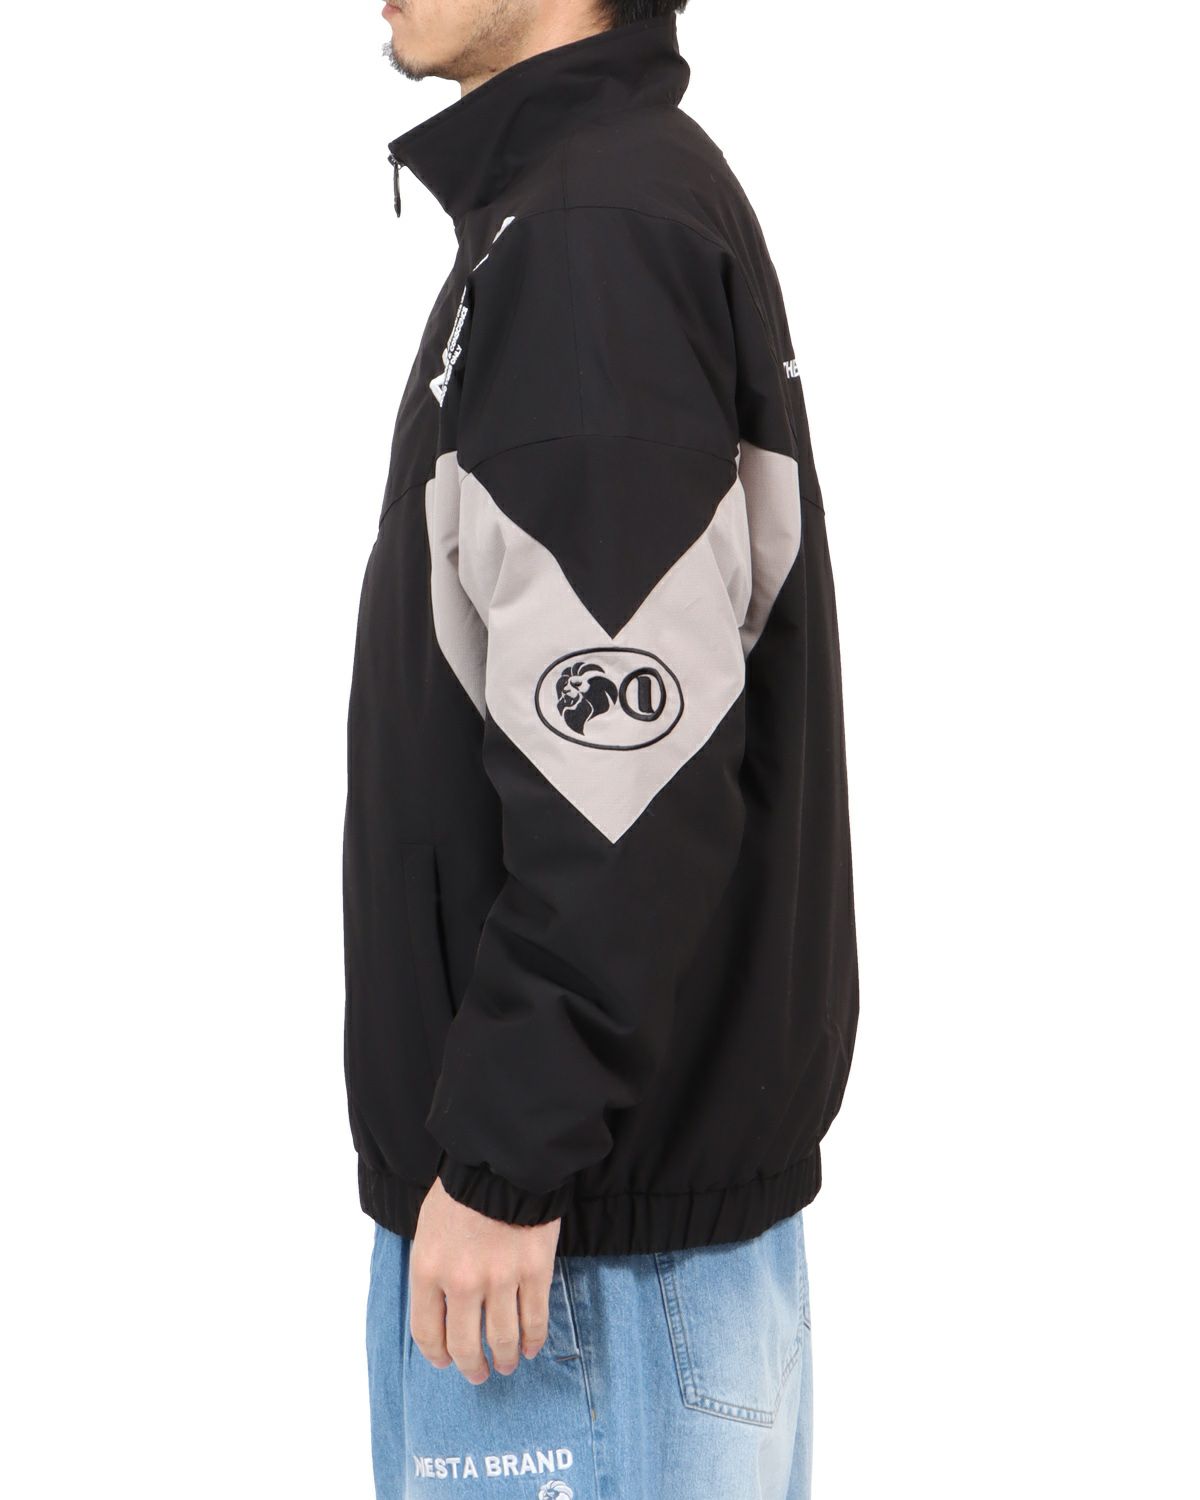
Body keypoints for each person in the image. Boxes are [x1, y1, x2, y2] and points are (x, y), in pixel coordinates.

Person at [343, 2, 859, 1495]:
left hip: (567, 1274)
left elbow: (626, 779)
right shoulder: (590, 208)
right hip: (606, 1250)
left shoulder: (590, 239)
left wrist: (506, 1158)